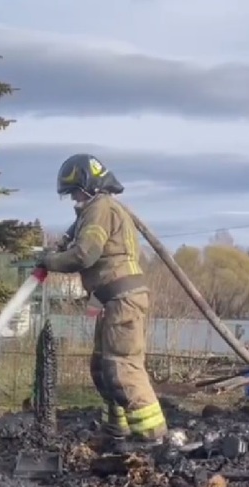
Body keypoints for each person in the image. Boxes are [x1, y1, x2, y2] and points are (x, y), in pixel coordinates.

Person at [34, 154, 168, 448]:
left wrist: (49, 261)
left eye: (76, 192)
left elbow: (85, 254)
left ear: (90, 185)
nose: (74, 199)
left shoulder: (101, 207)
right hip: (109, 300)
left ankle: (154, 439)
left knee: (122, 367)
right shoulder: (96, 209)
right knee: (102, 368)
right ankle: (115, 430)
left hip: (123, 299)